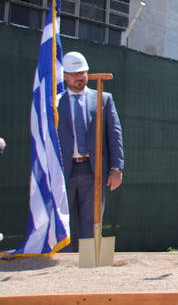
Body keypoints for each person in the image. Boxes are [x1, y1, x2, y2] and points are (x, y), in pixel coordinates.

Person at [58, 52, 124, 250]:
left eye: (83, 73)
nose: (80, 78)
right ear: (65, 76)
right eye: (75, 74)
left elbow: (114, 135)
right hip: (63, 172)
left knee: (92, 221)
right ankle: (63, 264)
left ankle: (89, 264)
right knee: (63, 221)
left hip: (93, 171)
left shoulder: (103, 99)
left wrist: (116, 168)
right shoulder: (55, 102)